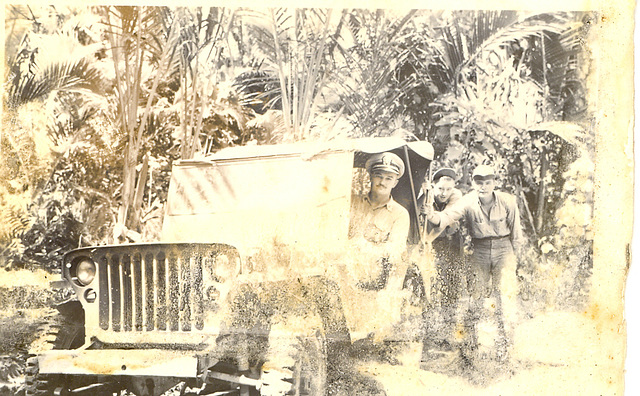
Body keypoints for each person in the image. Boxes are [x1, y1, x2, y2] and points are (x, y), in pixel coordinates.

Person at [422, 164, 523, 362]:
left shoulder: (507, 201)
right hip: (480, 250)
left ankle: (504, 348)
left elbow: (516, 233)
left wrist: (514, 260)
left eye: (487, 183)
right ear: (473, 183)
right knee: (474, 298)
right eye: (479, 183)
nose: (483, 187)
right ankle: (470, 347)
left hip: (504, 248)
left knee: (504, 298)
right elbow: (447, 216)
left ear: (494, 183)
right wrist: (431, 214)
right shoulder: (467, 201)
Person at [348, 152, 410, 290]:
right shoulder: (352, 202)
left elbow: (395, 250)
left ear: (395, 183)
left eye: (389, 178)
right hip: (345, 275)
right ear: (371, 176)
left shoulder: (400, 214)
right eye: (379, 176)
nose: (382, 182)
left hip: (375, 281)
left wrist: (364, 247)